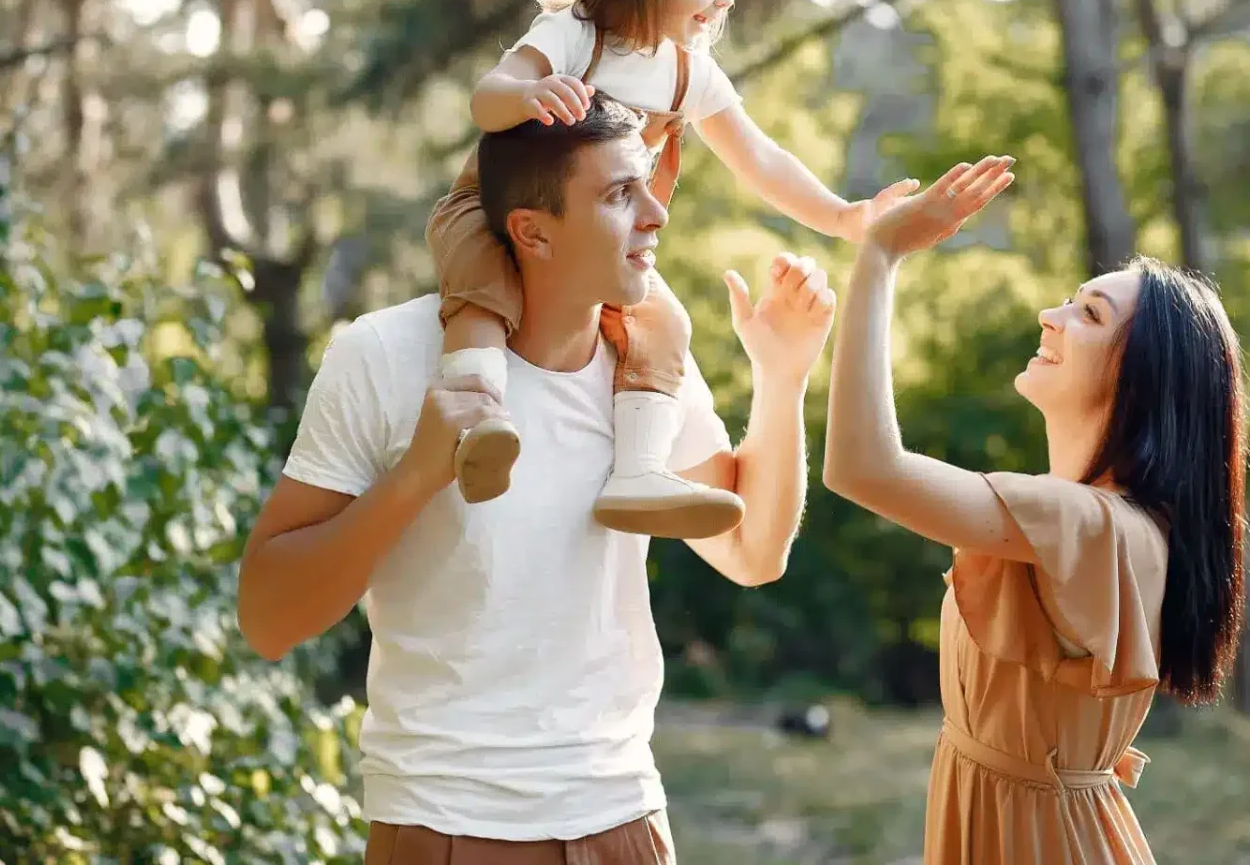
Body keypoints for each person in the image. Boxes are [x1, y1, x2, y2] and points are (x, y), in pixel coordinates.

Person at [237, 96, 836, 864]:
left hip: (625, 818)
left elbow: (754, 552)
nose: (656, 213)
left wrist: (782, 379)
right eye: (620, 194)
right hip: (446, 826)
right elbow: (269, 617)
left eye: (649, 183)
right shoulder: (384, 356)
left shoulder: (647, 372)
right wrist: (417, 476)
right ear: (532, 231)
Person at [425, 0, 916, 540]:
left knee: (665, 324)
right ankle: (475, 418)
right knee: (482, 284)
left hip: (601, 247)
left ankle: (639, 470)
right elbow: (488, 97)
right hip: (497, 212)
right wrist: (527, 96)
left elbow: (761, 158)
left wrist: (842, 216)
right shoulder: (574, 36)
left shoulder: (688, 74)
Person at [822, 157, 1249, 864]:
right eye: (1070, 301)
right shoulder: (1088, 521)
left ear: (1142, 379)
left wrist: (879, 255)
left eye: (1090, 314)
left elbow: (862, 468)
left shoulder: (1091, 523)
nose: (1051, 316)